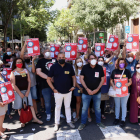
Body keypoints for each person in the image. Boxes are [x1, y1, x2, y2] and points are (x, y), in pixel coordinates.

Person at [10, 58, 43, 127]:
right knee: (20, 107)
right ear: (15, 64)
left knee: (30, 105)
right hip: (18, 92)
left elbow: (29, 81)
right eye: (18, 62)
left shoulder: (25, 70)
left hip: (27, 91)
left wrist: (28, 91)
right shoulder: (13, 72)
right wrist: (20, 93)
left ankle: (35, 119)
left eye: (21, 62)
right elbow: (13, 84)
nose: (19, 63)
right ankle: (23, 121)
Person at [47, 52, 76, 131]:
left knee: (67, 107)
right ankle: (56, 123)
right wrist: (53, 89)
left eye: (63, 57)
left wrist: (73, 86)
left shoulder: (69, 66)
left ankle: (69, 121)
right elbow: (48, 79)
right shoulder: (54, 67)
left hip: (68, 91)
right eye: (59, 57)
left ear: (65, 58)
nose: (61, 59)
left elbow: (73, 77)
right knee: (58, 107)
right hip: (58, 92)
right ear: (57, 58)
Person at [78, 53, 105, 130]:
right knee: (84, 108)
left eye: (94, 58)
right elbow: (81, 79)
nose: (93, 60)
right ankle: (83, 123)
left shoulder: (99, 68)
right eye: (91, 59)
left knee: (97, 108)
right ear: (88, 60)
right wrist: (87, 89)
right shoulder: (85, 68)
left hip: (97, 92)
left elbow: (102, 79)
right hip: (86, 92)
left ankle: (99, 122)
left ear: (96, 59)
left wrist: (97, 89)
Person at [20, 41, 41, 119]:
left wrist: (32, 61)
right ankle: (26, 114)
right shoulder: (23, 64)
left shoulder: (33, 63)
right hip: (25, 86)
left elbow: (33, 71)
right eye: (25, 57)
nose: (26, 58)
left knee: (33, 100)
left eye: (28, 57)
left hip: (33, 85)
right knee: (25, 101)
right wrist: (25, 44)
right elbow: (21, 54)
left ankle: (36, 112)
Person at [110, 58, 132, 127]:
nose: (121, 64)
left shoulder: (127, 71)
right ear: (118, 63)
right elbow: (111, 80)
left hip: (125, 91)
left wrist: (128, 84)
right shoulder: (114, 71)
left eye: (123, 62)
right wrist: (113, 85)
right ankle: (117, 118)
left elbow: (130, 81)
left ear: (124, 63)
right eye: (120, 62)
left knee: (123, 105)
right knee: (117, 105)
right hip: (117, 91)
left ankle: (123, 120)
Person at [36, 47, 56, 121]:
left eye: (49, 51)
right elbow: (38, 72)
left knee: (58, 100)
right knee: (47, 100)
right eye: (46, 51)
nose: (47, 52)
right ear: (43, 53)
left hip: (56, 84)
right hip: (45, 84)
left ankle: (59, 113)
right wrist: (49, 78)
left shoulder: (55, 60)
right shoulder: (40, 61)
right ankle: (48, 113)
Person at [73, 57, 83, 122]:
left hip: (85, 86)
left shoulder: (85, 69)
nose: (79, 63)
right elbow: (74, 80)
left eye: (80, 61)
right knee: (78, 101)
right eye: (77, 62)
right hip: (77, 86)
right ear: (75, 63)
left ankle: (88, 115)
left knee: (85, 101)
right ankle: (77, 115)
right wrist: (79, 87)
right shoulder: (74, 70)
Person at [0, 73, 10, 139]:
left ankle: (1, 128)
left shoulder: (1, 74)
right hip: (0, 100)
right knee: (0, 115)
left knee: (2, 114)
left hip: (4, 98)